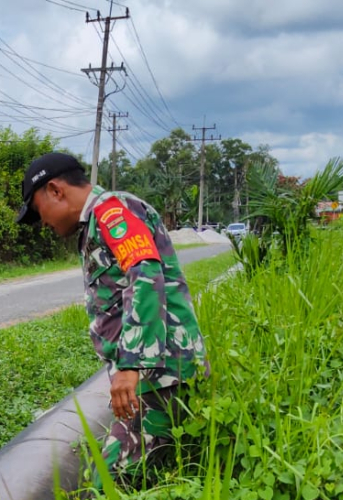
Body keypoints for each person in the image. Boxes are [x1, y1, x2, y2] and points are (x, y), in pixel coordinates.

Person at [15, 152, 209, 490]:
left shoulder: (113, 212)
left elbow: (145, 275)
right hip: (153, 378)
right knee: (138, 476)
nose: (41, 222)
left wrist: (131, 365)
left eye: (37, 209)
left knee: (108, 485)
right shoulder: (96, 222)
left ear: (55, 190)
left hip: (160, 377)